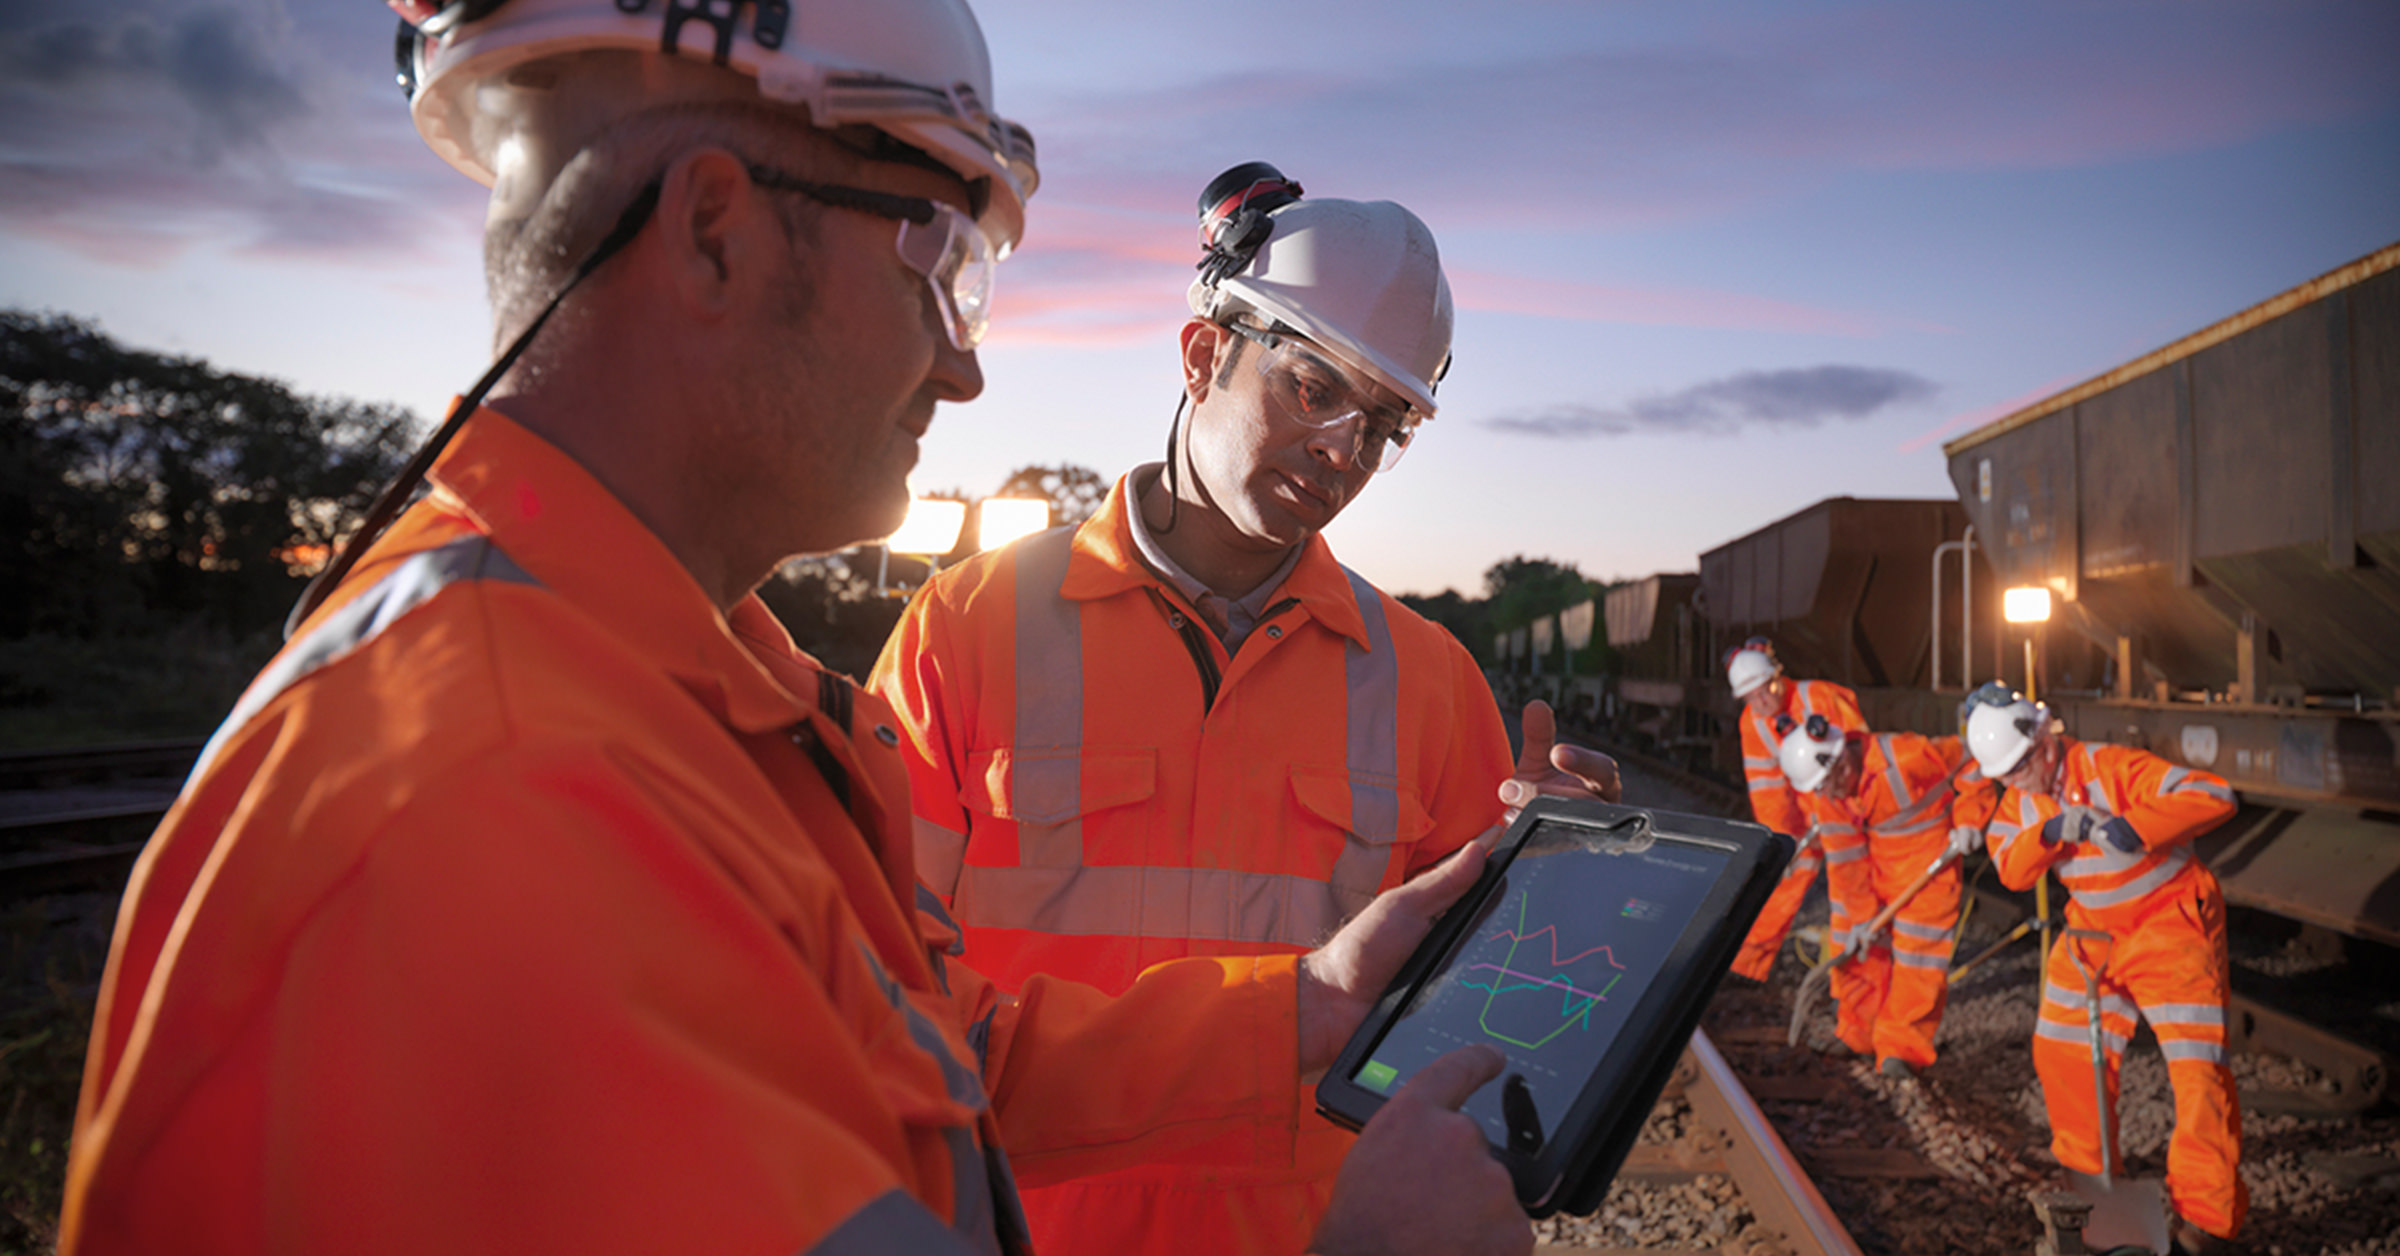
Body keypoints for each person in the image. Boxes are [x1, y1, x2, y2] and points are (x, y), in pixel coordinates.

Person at [58, 6, 1537, 1254]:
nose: (963, 366)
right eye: (941, 264)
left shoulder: (694, 696)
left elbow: (936, 1057)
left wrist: (1311, 1006)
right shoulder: (489, 788)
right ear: (715, 233)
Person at [871, 161, 1620, 1256]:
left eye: (1385, 425)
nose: (1345, 450)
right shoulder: (966, 628)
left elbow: (1483, 1024)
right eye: (1316, 388)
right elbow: (872, 992)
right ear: (1202, 353)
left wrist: (1564, 891)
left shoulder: (1431, 681)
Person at [1965, 682, 2245, 1254]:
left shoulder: (2110, 766)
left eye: (2023, 766)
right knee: (2061, 1049)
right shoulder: (2018, 801)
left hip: (2170, 924)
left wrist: (2136, 827)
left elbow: (2215, 794)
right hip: (2094, 935)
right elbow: (2010, 866)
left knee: (2198, 1073)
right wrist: (2052, 831)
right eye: (2006, 775)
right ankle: (2092, 1189)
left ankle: (2207, 1223)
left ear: (2044, 741)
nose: (2019, 781)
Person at [1775, 715, 1979, 1077]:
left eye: (1827, 785)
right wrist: (1862, 920)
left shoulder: (1904, 757)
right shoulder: (1830, 798)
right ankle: (1858, 1035)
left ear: (1842, 763)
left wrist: (1970, 820)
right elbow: (1846, 864)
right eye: (1819, 790)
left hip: (1930, 869)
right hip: (1877, 870)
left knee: (1918, 961)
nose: (1827, 796)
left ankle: (1901, 1050)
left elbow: (1972, 759)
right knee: (1856, 948)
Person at [1724, 637, 1865, 980]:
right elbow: (1767, 790)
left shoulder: (1818, 697)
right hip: (1807, 813)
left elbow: (1858, 755)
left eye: (1767, 690)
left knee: (1851, 887)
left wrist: (1839, 812)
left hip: (1846, 803)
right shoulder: (1753, 723)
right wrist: (1784, 840)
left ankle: (1850, 976)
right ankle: (1746, 966)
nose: (1762, 702)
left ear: (1779, 677)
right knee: (1783, 878)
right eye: (1751, 697)